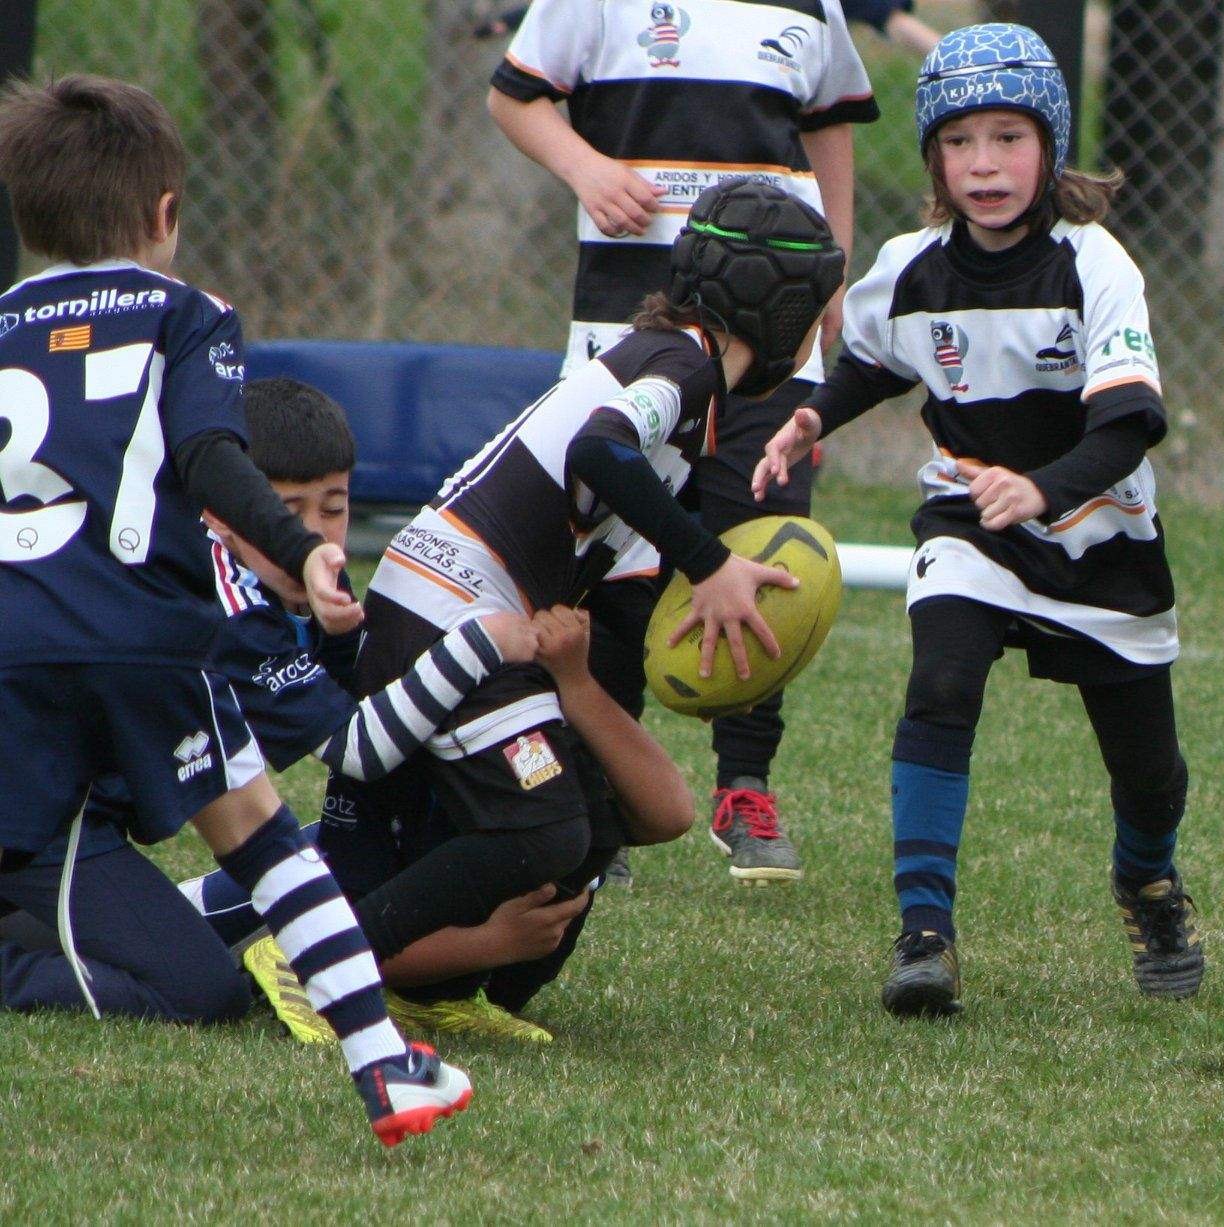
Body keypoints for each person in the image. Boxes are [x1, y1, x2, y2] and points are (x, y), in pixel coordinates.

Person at [0, 76, 469, 1147]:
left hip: (12, 639)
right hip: (138, 633)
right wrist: (303, 551)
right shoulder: (186, 314)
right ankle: (383, 1066)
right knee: (263, 834)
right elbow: (211, 453)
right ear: (165, 212)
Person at [755, 24, 1197, 1017]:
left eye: (1008, 137)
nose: (983, 164)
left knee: (1148, 771)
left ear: (1051, 144)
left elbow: (1130, 423)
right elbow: (873, 361)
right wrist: (812, 418)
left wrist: (1041, 489)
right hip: (969, 522)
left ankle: (1148, 882)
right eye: (958, 142)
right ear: (933, 159)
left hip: (1101, 536)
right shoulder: (911, 265)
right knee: (941, 686)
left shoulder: (1094, 264)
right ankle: (925, 935)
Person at [330, 178, 844, 1018]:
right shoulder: (683, 364)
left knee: (593, 819)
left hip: (476, 611)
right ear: (779, 307)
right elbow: (600, 451)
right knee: (546, 829)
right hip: (446, 609)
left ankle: (454, 994)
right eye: (819, 313)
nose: (823, 333)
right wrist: (710, 564)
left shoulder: (678, 376)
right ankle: (323, 953)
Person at [1, 377, 550, 1029]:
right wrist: (480, 645)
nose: (314, 533)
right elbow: (356, 747)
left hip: (80, 824)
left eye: (334, 508)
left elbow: (362, 717)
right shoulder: (219, 600)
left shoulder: (311, 576)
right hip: (42, 812)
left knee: (345, 844)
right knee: (204, 993)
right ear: (223, 511)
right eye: (285, 512)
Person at [488, 0, 879, 883]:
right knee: (614, 569)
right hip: (634, 329)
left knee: (763, 551)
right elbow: (513, 96)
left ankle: (746, 787)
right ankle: (599, 790)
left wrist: (834, 265)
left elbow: (830, 124)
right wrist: (587, 168)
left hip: (775, 342)